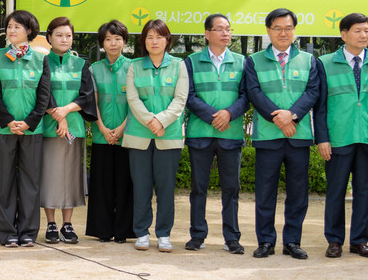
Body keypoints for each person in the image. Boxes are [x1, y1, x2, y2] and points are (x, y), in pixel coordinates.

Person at [243, 8, 321, 260]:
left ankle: (292, 241)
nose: (283, 33)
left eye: (288, 28)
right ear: (268, 31)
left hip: (298, 135)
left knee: (298, 192)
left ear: (295, 30)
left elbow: (312, 92)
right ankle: (265, 241)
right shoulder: (254, 60)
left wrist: (292, 115)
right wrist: (280, 118)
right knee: (265, 192)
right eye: (277, 28)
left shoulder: (309, 60)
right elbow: (254, 92)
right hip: (268, 136)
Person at [315, 12, 368, 259]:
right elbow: (320, 105)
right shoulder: (324, 63)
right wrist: (322, 138)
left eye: (367, 30)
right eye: (358, 30)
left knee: (364, 191)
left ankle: (359, 241)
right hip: (337, 137)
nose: (364, 35)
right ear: (343, 34)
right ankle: (334, 240)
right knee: (336, 190)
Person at [184, 14, 248, 254]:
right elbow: (188, 95)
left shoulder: (242, 62)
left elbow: (246, 95)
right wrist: (214, 116)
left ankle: (231, 237)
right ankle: (197, 235)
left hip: (230, 135)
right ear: (207, 34)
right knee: (198, 187)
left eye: (228, 29)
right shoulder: (191, 61)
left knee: (231, 188)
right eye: (219, 29)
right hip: (200, 133)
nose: (225, 34)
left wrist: (228, 114)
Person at [123, 19, 188, 253]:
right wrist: (151, 121)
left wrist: (161, 121)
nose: (154, 41)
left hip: (167, 135)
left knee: (165, 188)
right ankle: (141, 232)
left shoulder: (179, 66)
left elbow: (180, 100)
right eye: (149, 37)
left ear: (167, 40)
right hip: (139, 134)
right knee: (141, 186)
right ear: (144, 41)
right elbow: (133, 99)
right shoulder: (135, 66)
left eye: (159, 37)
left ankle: (164, 234)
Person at [0, 10, 50, 247]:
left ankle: (27, 232)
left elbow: (43, 95)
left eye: (17, 27)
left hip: (32, 130)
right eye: (9, 26)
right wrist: (7, 120)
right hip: (4, 129)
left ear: (30, 31)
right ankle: (7, 232)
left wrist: (30, 121)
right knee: (3, 183)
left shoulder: (41, 58)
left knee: (30, 182)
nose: (11, 31)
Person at [42, 17, 96, 244]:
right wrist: (58, 115)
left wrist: (65, 112)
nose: (64, 39)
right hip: (49, 129)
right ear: (49, 38)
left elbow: (87, 96)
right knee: (49, 176)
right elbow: (42, 94)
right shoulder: (42, 63)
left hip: (74, 129)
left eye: (68, 35)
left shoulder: (81, 65)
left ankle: (68, 224)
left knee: (72, 178)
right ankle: (51, 224)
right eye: (59, 35)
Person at [85, 20, 135, 244]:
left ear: (124, 41)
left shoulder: (134, 67)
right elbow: (92, 102)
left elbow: (136, 102)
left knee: (125, 184)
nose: (113, 43)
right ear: (102, 43)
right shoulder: (94, 69)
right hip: (101, 134)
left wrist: (122, 128)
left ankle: (123, 230)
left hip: (128, 134)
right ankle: (102, 229)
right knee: (101, 185)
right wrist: (103, 128)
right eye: (108, 39)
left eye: (117, 38)